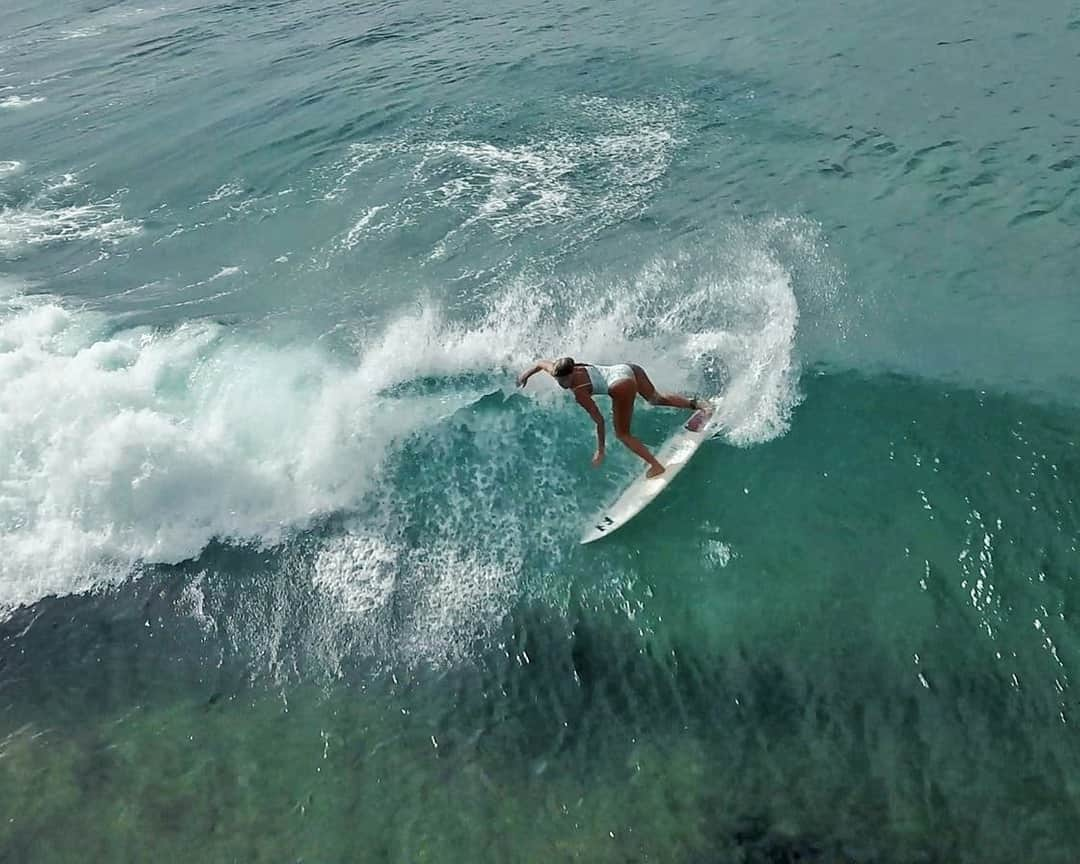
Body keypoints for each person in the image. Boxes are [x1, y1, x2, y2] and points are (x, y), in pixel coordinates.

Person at [517, 357, 709, 477]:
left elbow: (599, 420)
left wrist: (600, 450)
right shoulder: (560, 368)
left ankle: (656, 466)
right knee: (654, 398)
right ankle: (699, 405)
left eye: (565, 380)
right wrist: (526, 374)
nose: (562, 383)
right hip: (628, 368)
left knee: (622, 434)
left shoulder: (579, 390)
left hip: (621, 383)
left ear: (572, 372)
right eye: (559, 380)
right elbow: (541, 363)